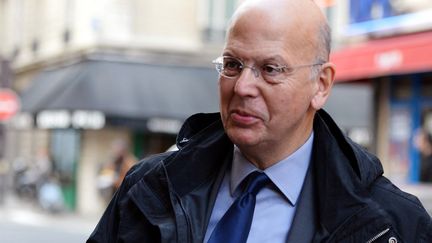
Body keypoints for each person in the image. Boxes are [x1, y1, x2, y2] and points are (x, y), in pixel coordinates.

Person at [87, 0, 432, 242]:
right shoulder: (151, 187)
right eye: (233, 64)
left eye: (270, 69)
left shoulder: (394, 224)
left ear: (321, 84)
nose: (242, 86)